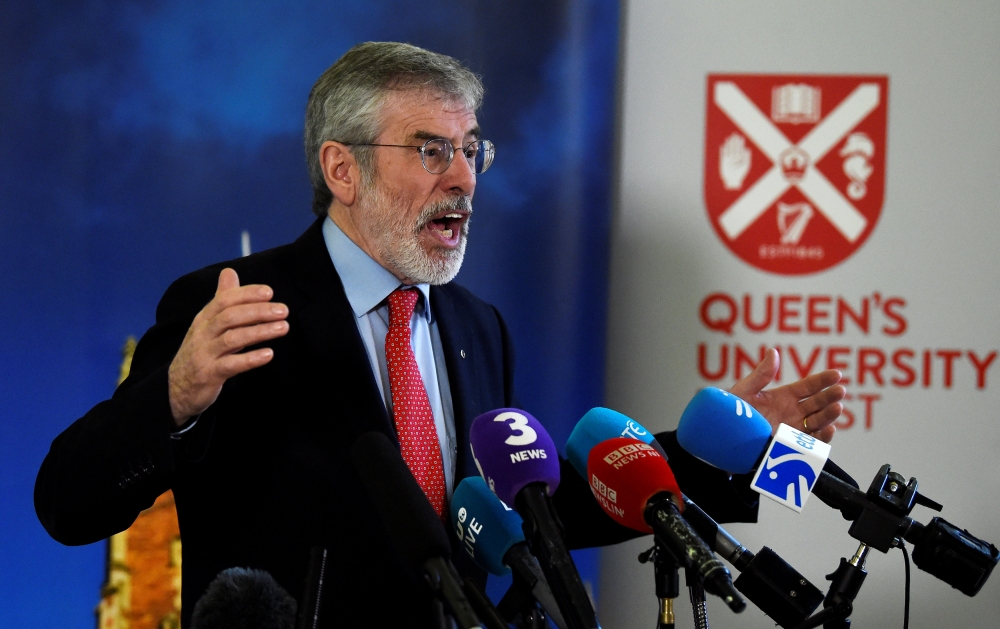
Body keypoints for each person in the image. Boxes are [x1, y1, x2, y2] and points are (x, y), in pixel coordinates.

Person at [35, 42, 845, 628]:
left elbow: (536, 509)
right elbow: (67, 502)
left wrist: (742, 452)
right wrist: (175, 394)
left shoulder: (475, 324)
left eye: (470, 150)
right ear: (342, 170)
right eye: (431, 151)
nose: (464, 177)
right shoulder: (238, 306)